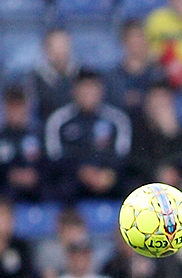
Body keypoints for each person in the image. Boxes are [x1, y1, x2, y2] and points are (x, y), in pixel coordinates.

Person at [45, 69, 132, 199]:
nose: (88, 94)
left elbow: (123, 154)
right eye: (83, 88)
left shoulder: (117, 119)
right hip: (73, 179)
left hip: (108, 179)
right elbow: (54, 155)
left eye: (92, 88)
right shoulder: (59, 120)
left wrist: (108, 173)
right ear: (74, 91)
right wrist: (81, 172)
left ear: (101, 90)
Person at [107, 21, 166, 121]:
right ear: (124, 42)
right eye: (134, 38)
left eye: (141, 37)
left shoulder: (157, 72)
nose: (139, 42)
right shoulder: (114, 77)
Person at [31, 29, 79, 118]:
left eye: (63, 45)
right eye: (56, 46)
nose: (61, 52)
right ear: (46, 49)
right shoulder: (34, 79)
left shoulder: (82, 77)